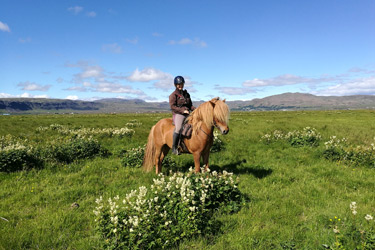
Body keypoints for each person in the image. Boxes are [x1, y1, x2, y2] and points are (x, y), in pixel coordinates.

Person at [169, 76, 196, 155]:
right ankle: (174, 147)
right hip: (179, 114)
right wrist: (182, 111)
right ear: (175, 85)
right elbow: (172, 107)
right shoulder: (173, 95)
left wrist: (196, 109)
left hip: (188, 113)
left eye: (181, 84)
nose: (180, 86)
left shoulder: (186, 94)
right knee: (178, 128)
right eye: (178, 84)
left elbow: (190, 105)